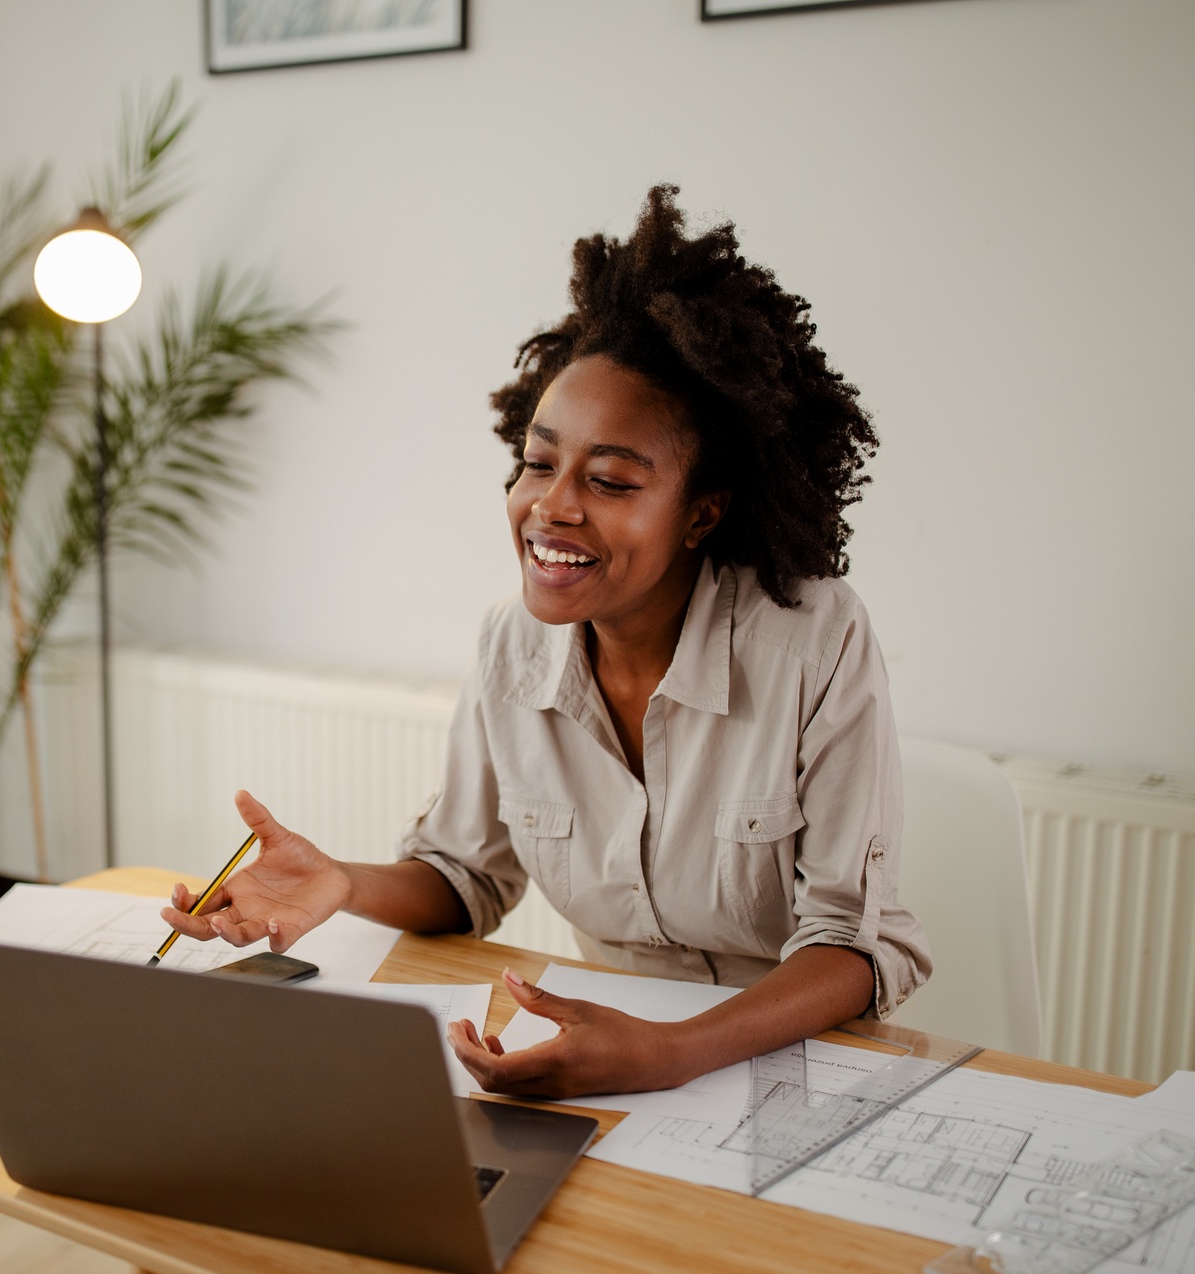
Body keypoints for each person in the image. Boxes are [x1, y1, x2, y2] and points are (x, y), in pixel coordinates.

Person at [159, 184, 930, 1099]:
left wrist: (672, 1051)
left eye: (609, 479)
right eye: (537, 461)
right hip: (606, 1054)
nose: (549, 506)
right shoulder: (511, 646)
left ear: (702, 513)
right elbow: (462, 877)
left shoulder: (814, 640)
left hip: (791, 1066)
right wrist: (340, 884)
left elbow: (848, 940)